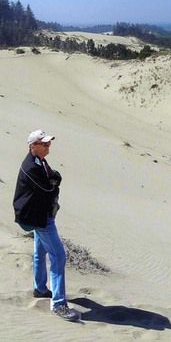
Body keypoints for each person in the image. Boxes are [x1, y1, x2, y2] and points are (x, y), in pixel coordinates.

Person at [12, 129, 80, 321]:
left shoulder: (39, 161)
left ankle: (40, 288)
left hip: (41, 214)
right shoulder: (31, 167)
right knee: (58, 256)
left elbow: (53, 177)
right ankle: (59, 305)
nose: (48, 146)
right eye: (44, 144)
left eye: (49, 143)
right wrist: (54, 183)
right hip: (39, 218)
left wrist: (54, 180)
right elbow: (48, 187)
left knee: (39, 252)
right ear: (33, 146)